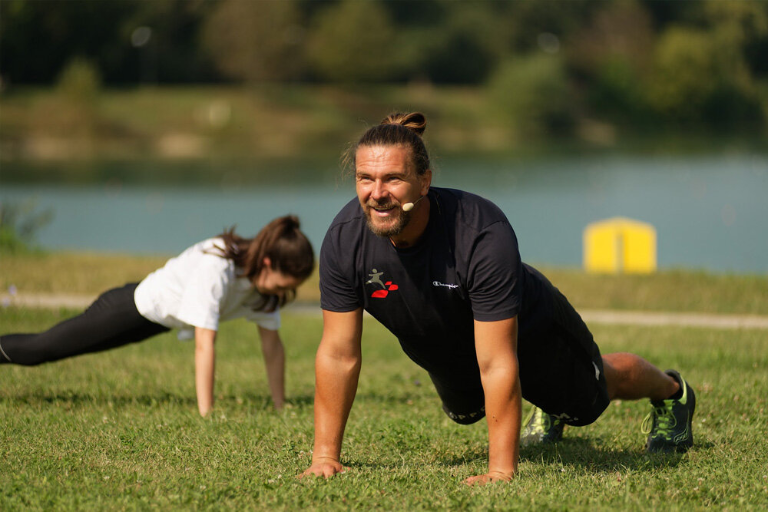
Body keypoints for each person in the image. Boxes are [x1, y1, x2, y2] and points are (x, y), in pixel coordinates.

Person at [299, 112, 696, 485]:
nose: (377, 194)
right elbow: (338, 354)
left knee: (586, 402)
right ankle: (544, 405)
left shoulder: (479, 232)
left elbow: (497, 360)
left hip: (531, 334)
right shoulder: (344, 239)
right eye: (365, 178)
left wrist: (501, 471)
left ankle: (672, 392)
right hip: (452, 349)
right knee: (465, 411)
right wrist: (324, 458)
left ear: (424, 181)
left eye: (393, 179)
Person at [1, 215, 315, 417]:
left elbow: (272, 347)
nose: (280, 293)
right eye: (282, 284)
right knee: (44, 349)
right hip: (127, 309)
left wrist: (280, 406)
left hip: (152, 324)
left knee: (49, 348)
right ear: (269, 262)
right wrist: (207, 415)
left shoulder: (264, 289)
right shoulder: (217, 267)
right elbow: (205, 344)